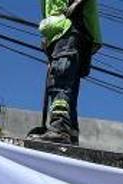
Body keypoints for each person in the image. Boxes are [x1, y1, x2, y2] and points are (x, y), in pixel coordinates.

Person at [32, 0, 102, 145]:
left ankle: (59, 128)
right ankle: (70, 132)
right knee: (67, 86)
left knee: (61, 81)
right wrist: (48, 40)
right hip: (69, 35)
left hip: (70, 31)